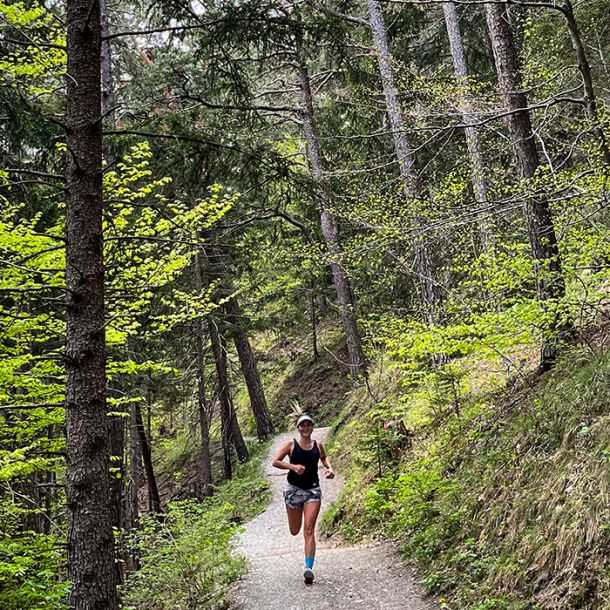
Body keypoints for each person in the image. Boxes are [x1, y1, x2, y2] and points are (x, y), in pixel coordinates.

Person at [272, 414, 335, 585]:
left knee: (308, 529)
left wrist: (329, 469)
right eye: (303, 425)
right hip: (293, 491)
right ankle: (292, 513)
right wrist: (293, 466)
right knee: (295, 530)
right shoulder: (291, 445)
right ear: (298, 428)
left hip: (313, 491)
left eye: (308, 425)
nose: (306, 428)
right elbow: (275, 461)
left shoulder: (318, 445)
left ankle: (309, 569)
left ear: (312, 427)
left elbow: (323, 457)